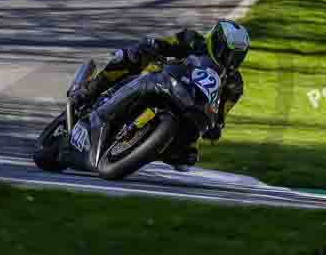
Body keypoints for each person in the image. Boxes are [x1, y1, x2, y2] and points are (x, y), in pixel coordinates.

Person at [68, 20, 249, 170]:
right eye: (227, 52)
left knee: (188, 157)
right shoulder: (193, 41)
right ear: (215, 41)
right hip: (166, 80)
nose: (230, 59)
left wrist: (216, 126)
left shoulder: (234, 84)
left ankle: (141, 145)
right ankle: (88, 91)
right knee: (130, 56)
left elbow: (222, 112)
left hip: (192, 108)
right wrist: (153, 45)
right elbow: (166, 43)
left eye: (237, 56)